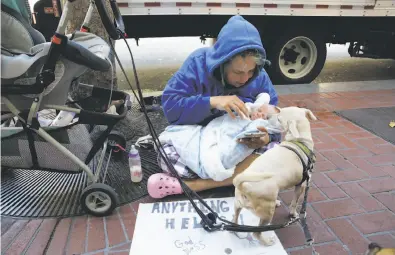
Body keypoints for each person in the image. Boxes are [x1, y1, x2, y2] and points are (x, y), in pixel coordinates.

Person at [147, 15, 280, 199]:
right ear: (222, 62)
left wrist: (265, 137)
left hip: (235, 144)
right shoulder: (197, 63)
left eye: (250, 71)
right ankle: (237, 177)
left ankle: (197, 185)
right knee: (165, 155)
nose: (244, 78)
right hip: (197, 138)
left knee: (276, 149)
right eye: (238, 72)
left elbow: (274, 115)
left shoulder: (260, 76)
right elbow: (171, 107)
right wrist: (212, 102)